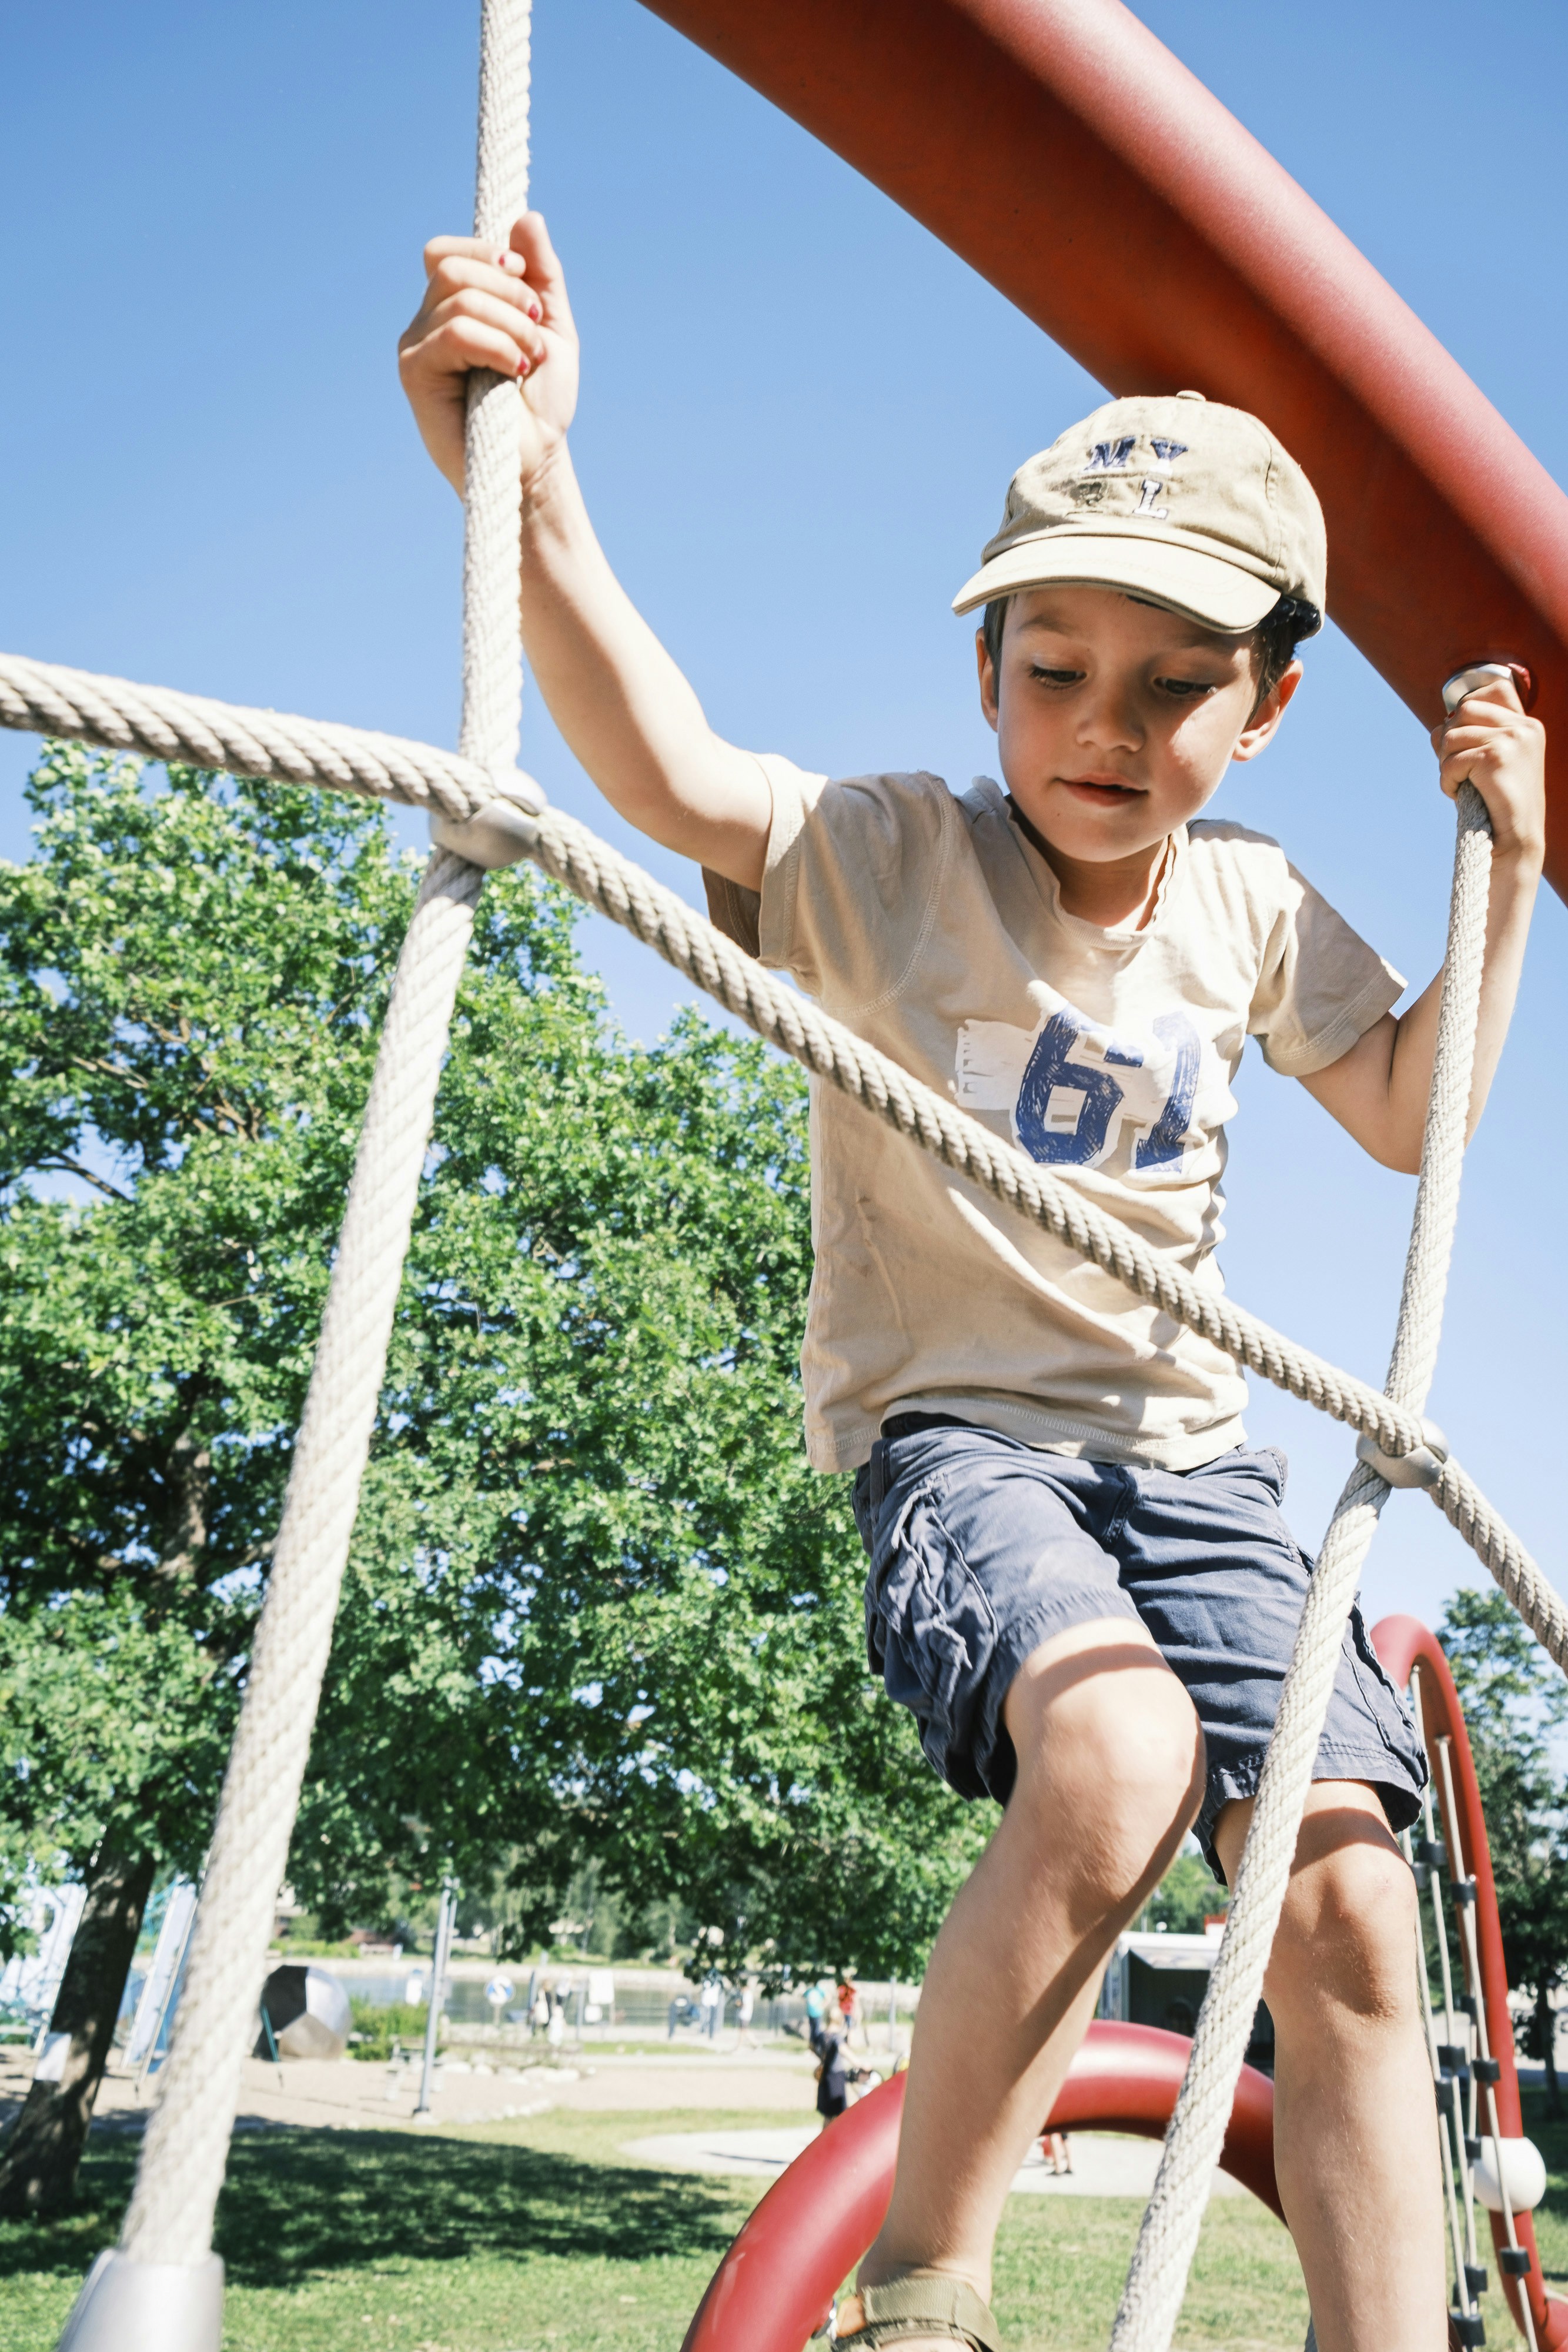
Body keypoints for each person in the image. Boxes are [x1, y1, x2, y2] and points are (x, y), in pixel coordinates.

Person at [399, 215, 1546, 2352]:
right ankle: (924, 2293)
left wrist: (1506, 870)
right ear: (984, 670)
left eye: (1175, 686)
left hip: (1195, 1465)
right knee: (1108, 1762)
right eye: (1053, 671)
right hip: (966, 1443)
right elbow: (660, 769)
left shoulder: (1249, 906)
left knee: (1350, 1908)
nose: (1104, 728)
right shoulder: (891, 858)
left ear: (1270, 707)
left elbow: (1411, 1114)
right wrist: (532, 477)